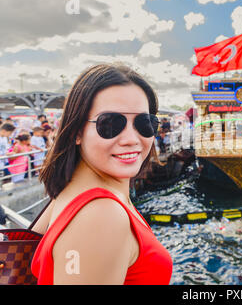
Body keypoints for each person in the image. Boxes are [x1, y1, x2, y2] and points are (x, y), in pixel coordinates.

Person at [30, 63, 172, 285]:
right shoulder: (102, 214)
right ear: (76, 131)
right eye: (111, 124)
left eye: (145, 123)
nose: (132, 139)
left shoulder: (72, 190)